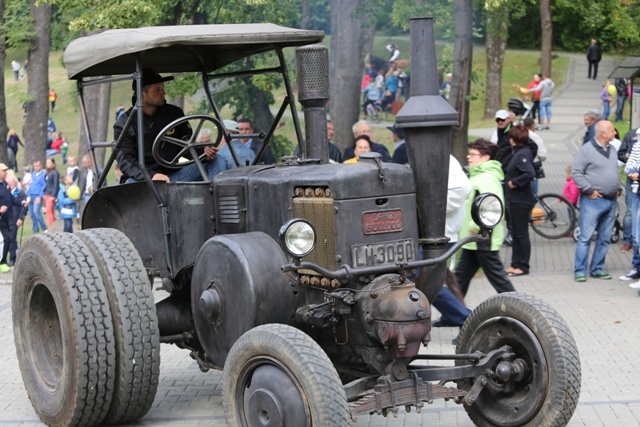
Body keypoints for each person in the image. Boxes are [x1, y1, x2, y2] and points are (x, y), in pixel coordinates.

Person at [115, 68, 226, 182]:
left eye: (162, 88)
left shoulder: (174, 114)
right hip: (143, 181)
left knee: (217, 160)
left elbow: (187, 147)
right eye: (157, 90)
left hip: (174, 175)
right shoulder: (124, 123)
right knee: (130, 183)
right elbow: (125, 160)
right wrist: (151, 176)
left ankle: (216, 197)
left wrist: (203, 151)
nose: (163, 93)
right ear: (142, 94)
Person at [455, 139, 515, 296]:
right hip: (473, 239)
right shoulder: (478, 176)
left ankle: (522, 309)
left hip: (482, 237)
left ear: (486, 157)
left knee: (500, 281)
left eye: (473, 154)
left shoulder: (486, 178)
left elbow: (492, 208)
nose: (469, 157)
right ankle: (453, 315)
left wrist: (476, 228)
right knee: (459, 280)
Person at [572, 120, 621, 282]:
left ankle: (597, 269)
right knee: (585, 237)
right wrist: (589, 191)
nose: (615, 133)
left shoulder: (613, 149)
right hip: (593, 201)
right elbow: (577, 173)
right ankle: (580, 271)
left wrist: (618, 188)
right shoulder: (586, 150)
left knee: (605, 237)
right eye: (612, 131)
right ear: (603, 133)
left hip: (611, 200)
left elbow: (614, 171)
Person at [504, 125, 537, 277]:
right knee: (515, 233)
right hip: (515, 199)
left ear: (515, 139)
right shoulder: (520, 152)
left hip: (520, 200)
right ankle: (514, 263)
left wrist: (514, 182)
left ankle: (523, 265)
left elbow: (529, 173)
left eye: (511, 136)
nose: (509, 139)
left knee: (521, 234)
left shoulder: (521, 154)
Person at [523, 117, 547, 195]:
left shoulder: (519, 134)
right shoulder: (535, 137)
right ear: (533, 125)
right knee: (533, 194)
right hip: (532, 168)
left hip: (520, 169)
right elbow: (542, 155)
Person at [6, 174, 26, 266]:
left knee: (12, 238)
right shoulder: (6, 192)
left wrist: (21, 218)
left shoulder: (20, 193)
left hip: (15, 219)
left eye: (11, 181)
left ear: (15, 182)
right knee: (7, 238)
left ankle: (12, 258)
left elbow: (24, 207)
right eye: (8, 182)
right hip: (6, 219)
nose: (10, 183)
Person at [78, 154, 104, 218]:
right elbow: (84, 184)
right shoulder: (86, 171)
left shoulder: (99, 171)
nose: (83, 165)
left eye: (85, 163)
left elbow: (103, 184)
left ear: (90, 162)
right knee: (87, 213)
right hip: (86, 195)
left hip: (94, 195)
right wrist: (81, 195)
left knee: (95, 212)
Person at [0, 163, 12, 273]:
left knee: (6, 239)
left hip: (5, 219)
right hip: (0, 218)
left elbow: (9, 199)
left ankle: (3, 262)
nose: (6, 172)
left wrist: (20, 202)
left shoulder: (4, 185)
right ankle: (2, 262)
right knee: (6, 238)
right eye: (3, 171)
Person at [43, 158, 60, 227]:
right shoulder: (48, 173)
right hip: (47, 193)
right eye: (47, 163)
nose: (48, 164)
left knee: (49, 210)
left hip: (51, 194)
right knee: (49, 211)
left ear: (53, 164)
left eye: (49, 163)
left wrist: (54, 195)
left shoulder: (55, 172)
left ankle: (51, 225)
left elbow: (56, 184)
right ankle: (52, 224)